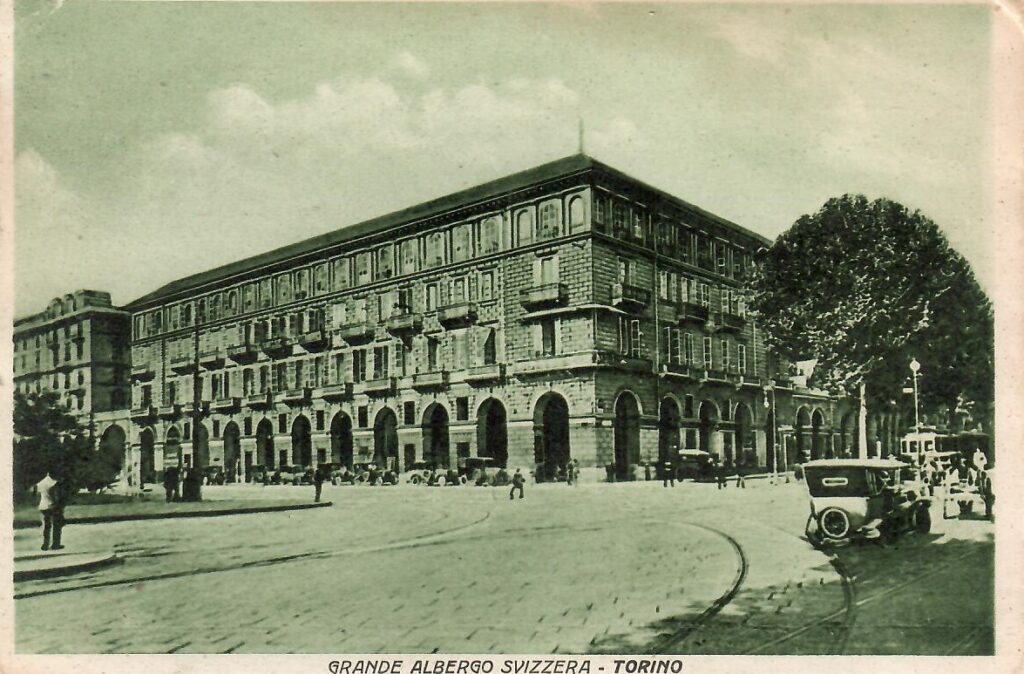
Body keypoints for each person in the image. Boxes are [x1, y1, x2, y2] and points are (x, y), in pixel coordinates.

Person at [36, 471, 66, 551]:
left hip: (43, 506)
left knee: (46, 526)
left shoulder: (40, 483)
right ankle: (55, 544)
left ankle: (45, 544)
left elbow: (38, 496)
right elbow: (57, 496)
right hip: (53, 506)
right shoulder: (54, 483)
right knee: (56, 526)